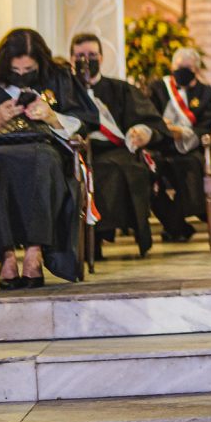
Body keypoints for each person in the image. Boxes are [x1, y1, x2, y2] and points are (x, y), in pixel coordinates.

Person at [0, 29, 98, 289]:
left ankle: (34, 252)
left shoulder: (60, 78)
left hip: (47, 151)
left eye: (28, 69)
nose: (21, 75)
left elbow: (88, 119)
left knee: (43, 159)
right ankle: (5, 256)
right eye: (15, 70)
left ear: (39, 62)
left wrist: (52, 117)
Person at [70, 32, 169, 259]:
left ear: (101, 58)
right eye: (80, 56)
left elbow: (150, 121)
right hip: (77, 152)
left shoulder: (121, 89)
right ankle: (86, 240)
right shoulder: (65, 92)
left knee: (118, 171)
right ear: (71, 58)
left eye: (92, 55)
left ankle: (105, 235)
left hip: (115, 150)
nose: (86, 61)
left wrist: (142, 132)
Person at [148, 47, 211, 243]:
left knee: (192, 168)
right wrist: (165, 130)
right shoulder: (158, 88)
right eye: (179, 67)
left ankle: (180, 223)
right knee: (146, 174)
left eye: (188, 67)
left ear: (196, 69)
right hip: (160, 147)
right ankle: (177, 225)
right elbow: (150, 116)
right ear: (172, 67)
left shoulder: (205, 92)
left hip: (190, 149)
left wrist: (183, 134)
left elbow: (206, 126)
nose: (183, 71)